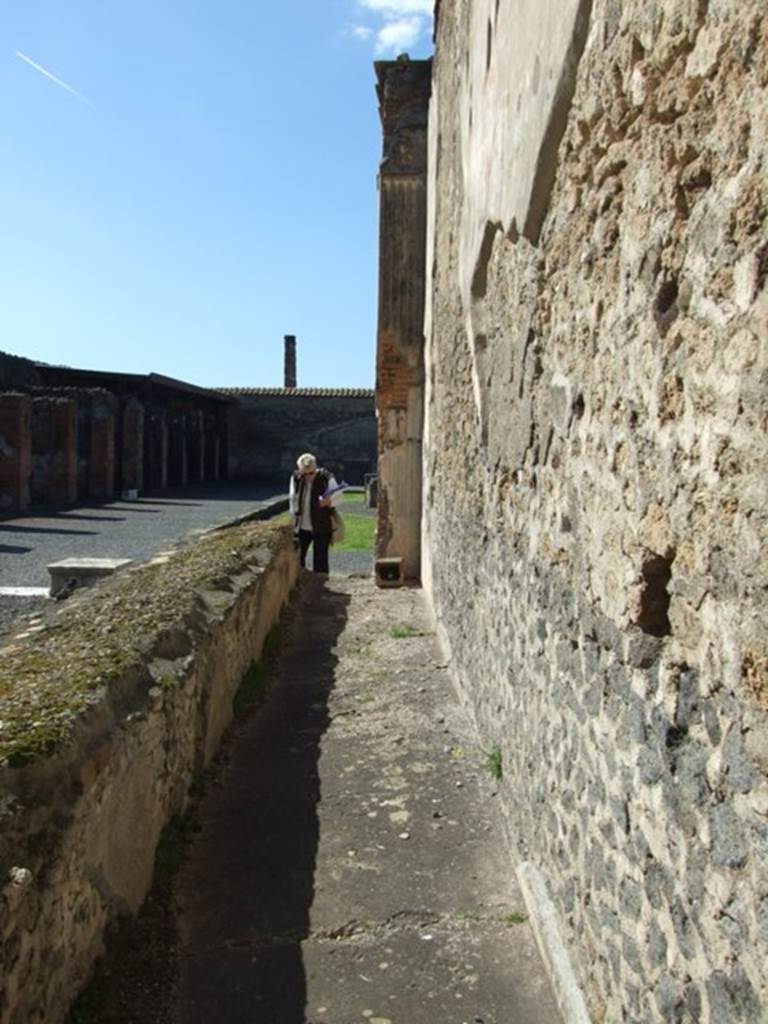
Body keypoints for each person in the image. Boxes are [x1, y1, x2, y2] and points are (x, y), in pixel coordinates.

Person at [288, 453, 342, 574]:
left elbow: (339, 497)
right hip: (301, 527)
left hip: (322, 526)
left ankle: (322, 583)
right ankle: (301, 582)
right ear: (300, 470)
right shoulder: (296, 478)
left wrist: (329, 501)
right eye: (304, 474)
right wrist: (293, 520)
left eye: (311, 473)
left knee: (320, 560)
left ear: (315, 467)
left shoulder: (326, 477)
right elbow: (292, 499)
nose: (308, 477)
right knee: (298, 558)